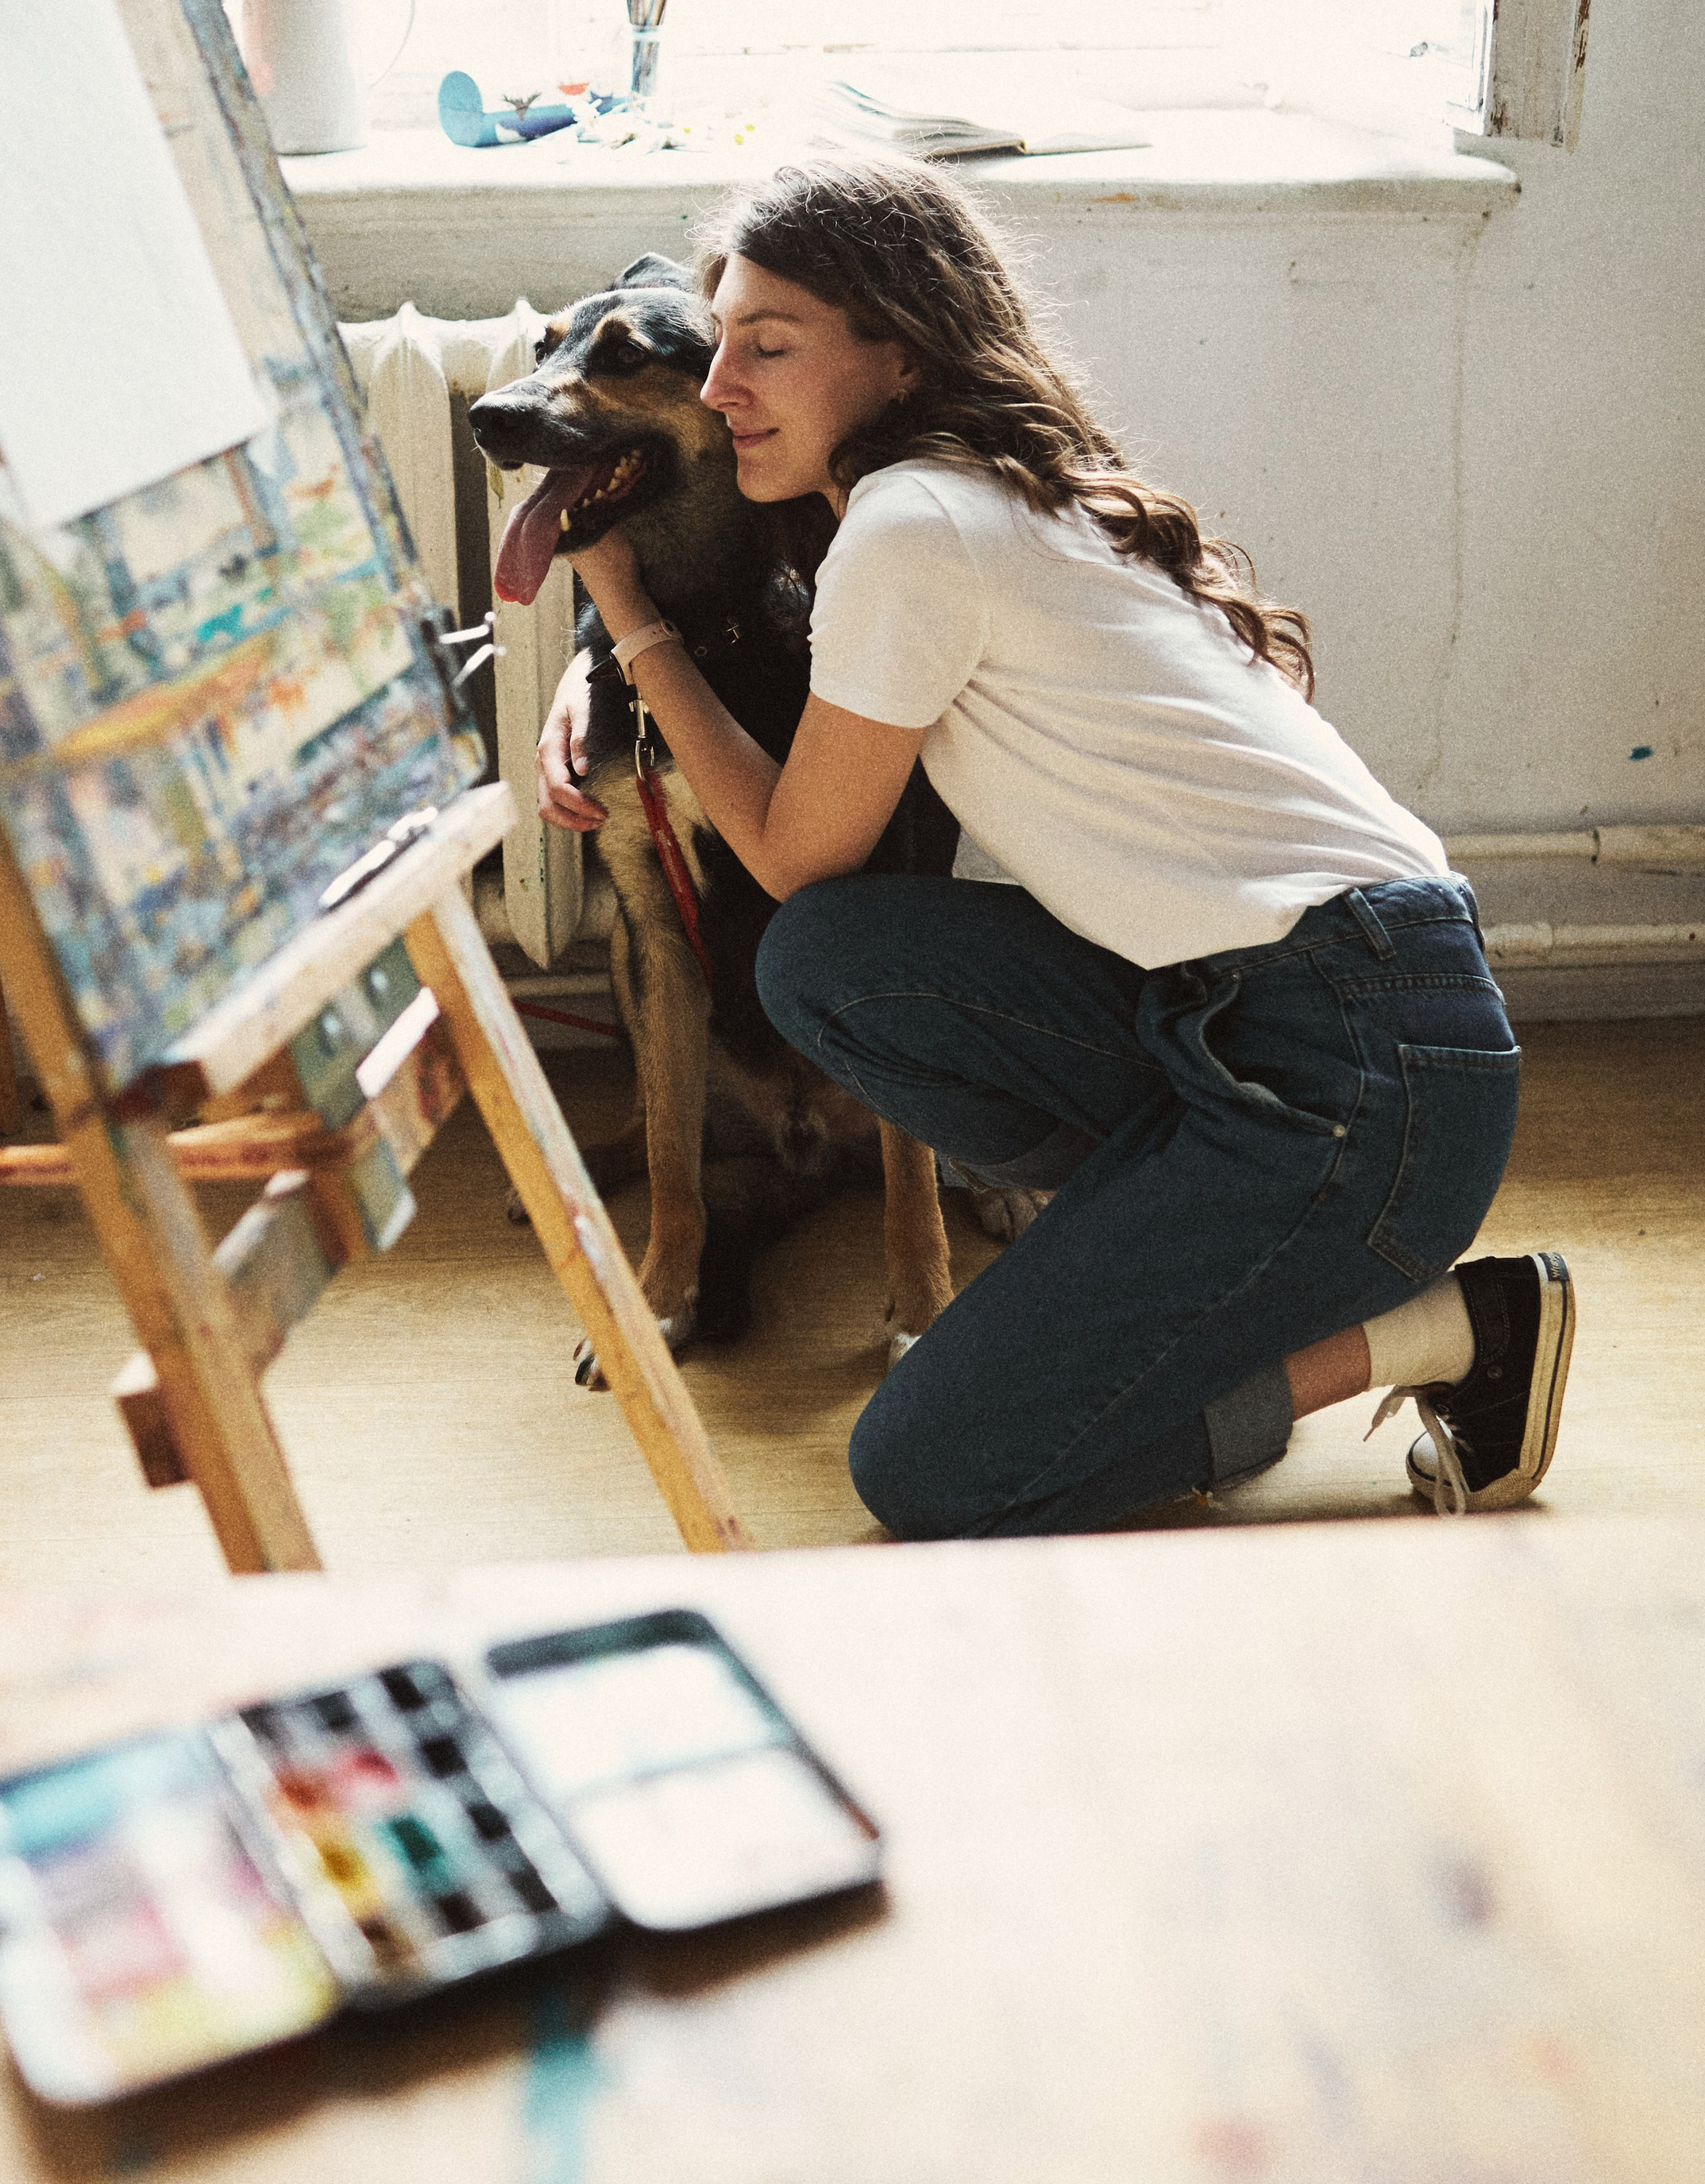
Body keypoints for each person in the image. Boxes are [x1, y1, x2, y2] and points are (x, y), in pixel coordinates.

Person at [537, 157, 1571, 1536]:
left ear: (895, 357)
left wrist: (628, 622)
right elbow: (786, 728)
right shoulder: (976, 490)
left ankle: (1456, 1330)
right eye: (718, 345)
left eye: (767, 349)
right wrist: (596, 672)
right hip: (1331, 1010)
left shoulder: (909, 529)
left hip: (1360, 1074)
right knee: (838, 960)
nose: (722, 388)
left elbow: (788, 849)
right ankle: (1172, 1248)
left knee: (929, 1468)